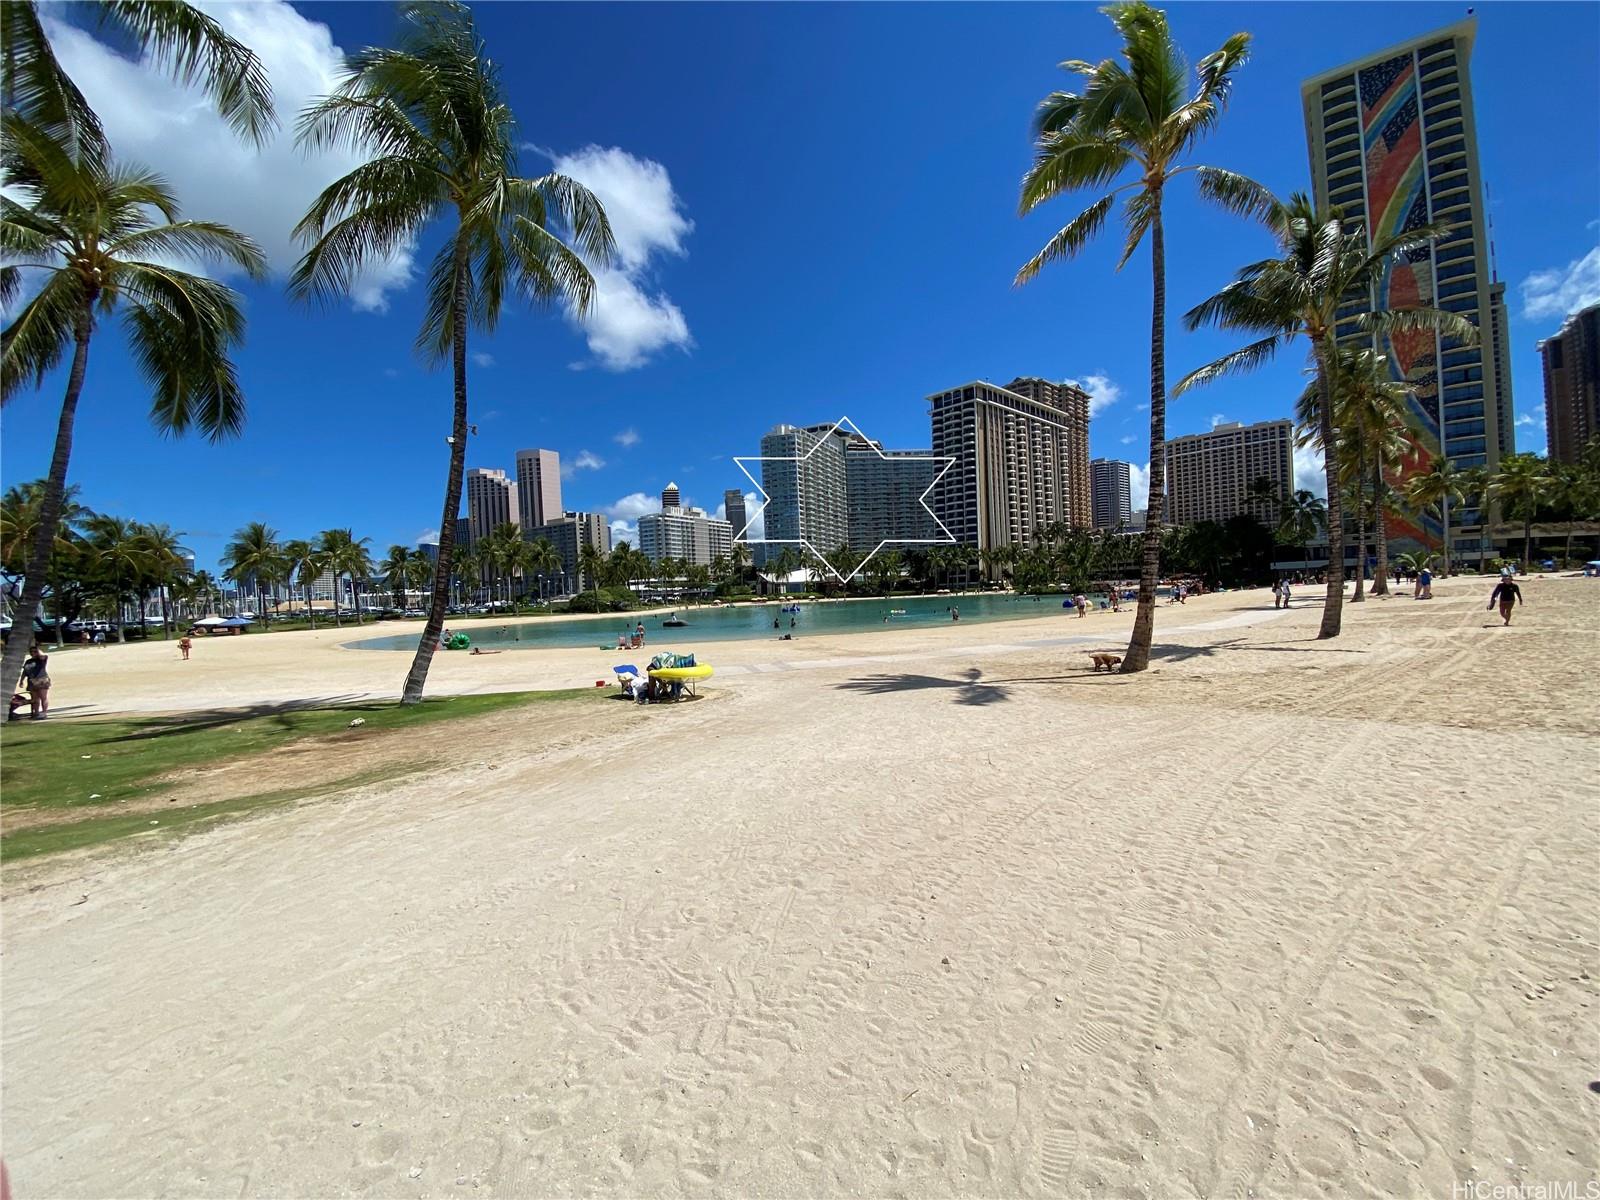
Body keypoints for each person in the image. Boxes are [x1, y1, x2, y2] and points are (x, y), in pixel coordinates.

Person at [22, 645, 50, 720]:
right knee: (35, 699)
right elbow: (25, 672)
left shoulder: (41, 659)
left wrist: (38, 650)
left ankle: (44, 713)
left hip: (41, 680)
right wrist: (21, 680)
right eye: (31, 652)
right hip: (31, 681)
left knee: (43, 697)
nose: (33, 653)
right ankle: (36, 713)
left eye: (35, 651)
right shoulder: (28, 661)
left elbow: (43, 655)